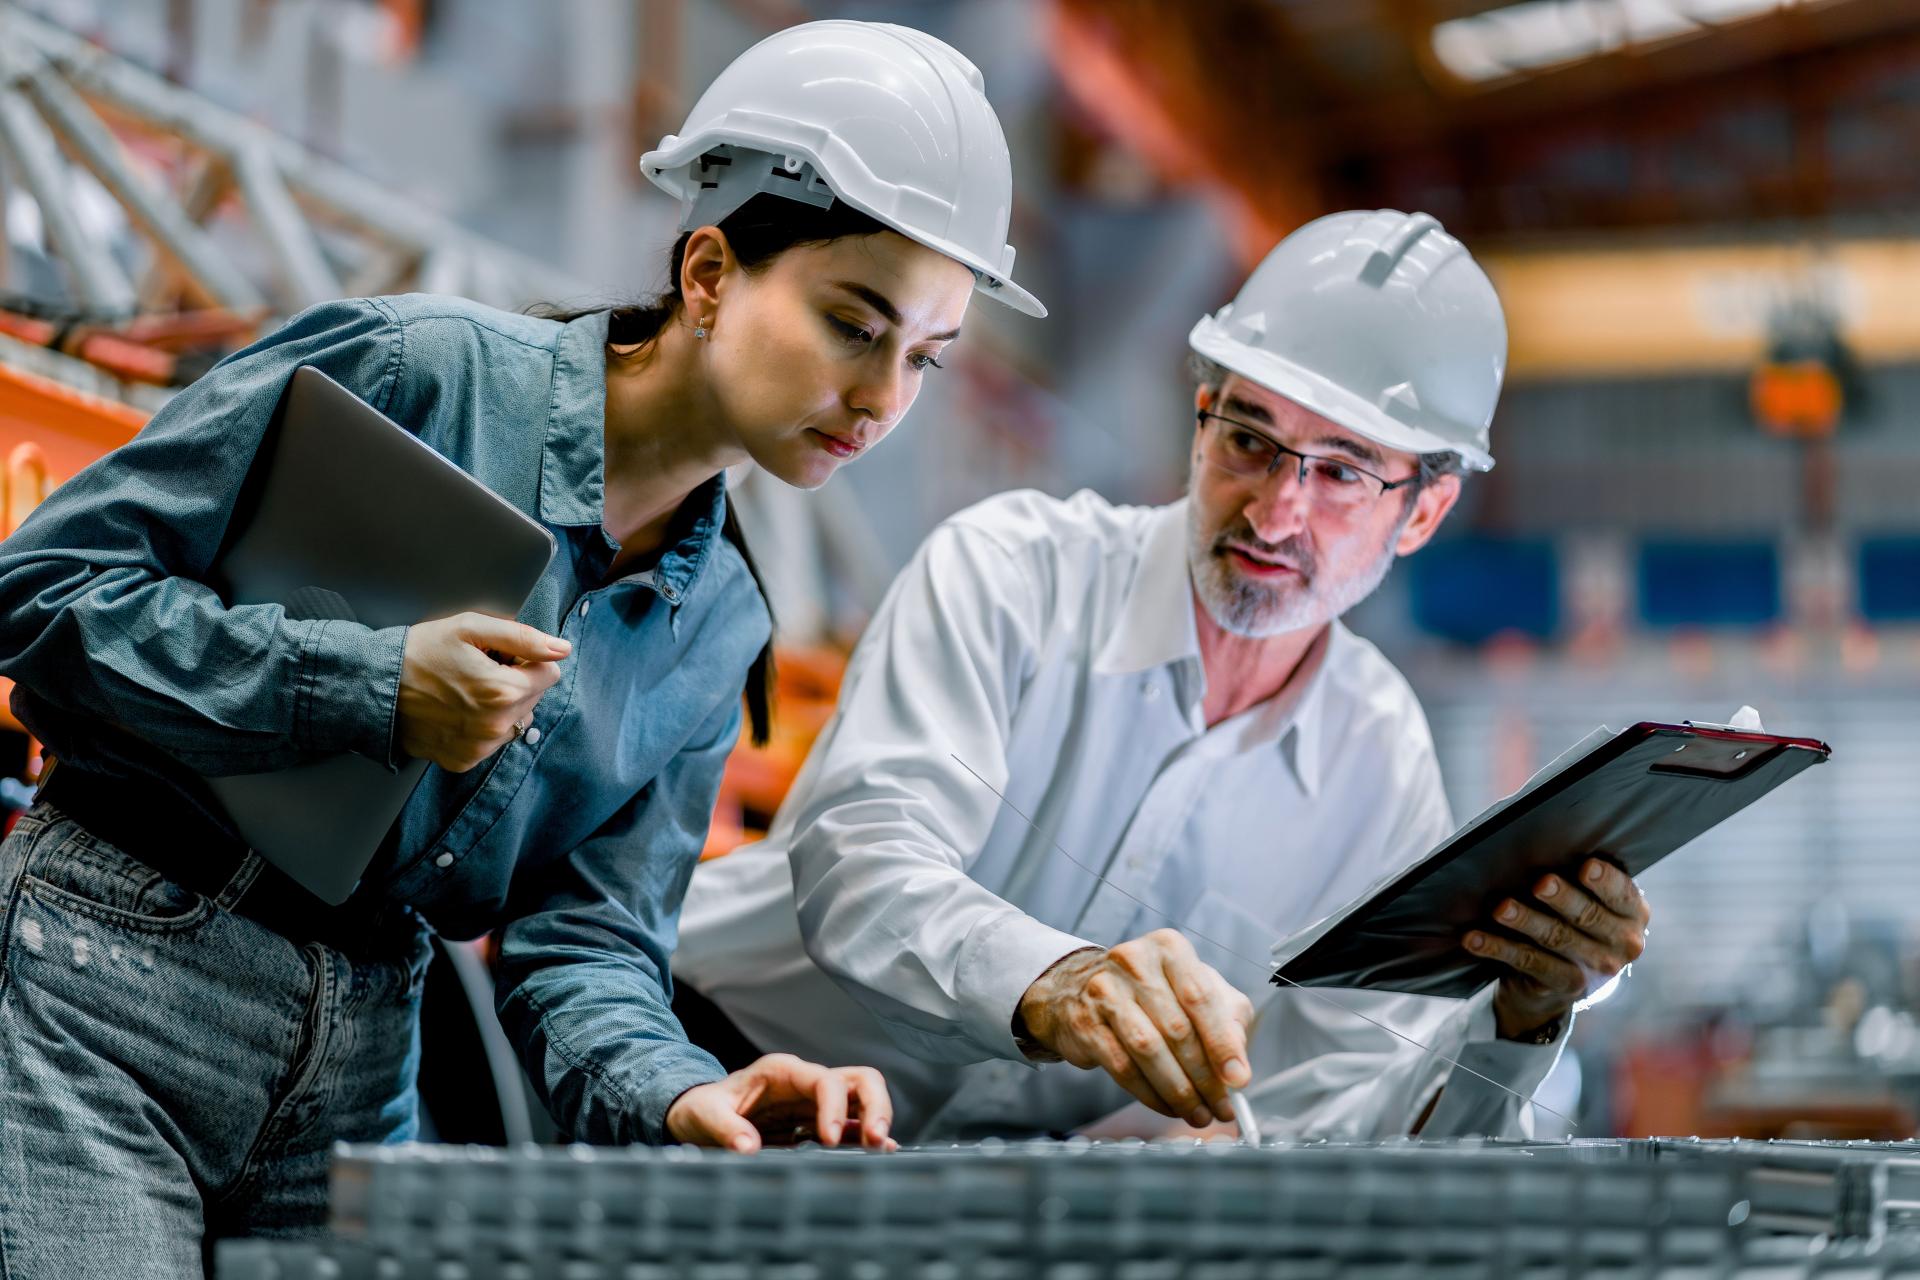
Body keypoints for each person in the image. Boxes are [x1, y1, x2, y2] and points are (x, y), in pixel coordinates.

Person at [0, 19, 1043, 1278]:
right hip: (108, 989)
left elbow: (587, 943)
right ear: (710, 271)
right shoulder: (415, 370)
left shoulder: (717, 627)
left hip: (359, 1072)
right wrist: (369, 685)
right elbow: (44, 586)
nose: (883, 401)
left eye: (925, 358)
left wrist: (680, 1090)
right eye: (853, 324)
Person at [673, 210, 1651, 1142]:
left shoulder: (1377, 760)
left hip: (963, 1175)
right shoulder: (1014, 575)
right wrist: (1058, 980)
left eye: (1343, 471)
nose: (1274, 513)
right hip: (702, 1061)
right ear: (1200, 420)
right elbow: (861, 861)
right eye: (1250, 440)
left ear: (1426, 512)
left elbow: (1336, 1112)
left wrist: (1519, 1017)